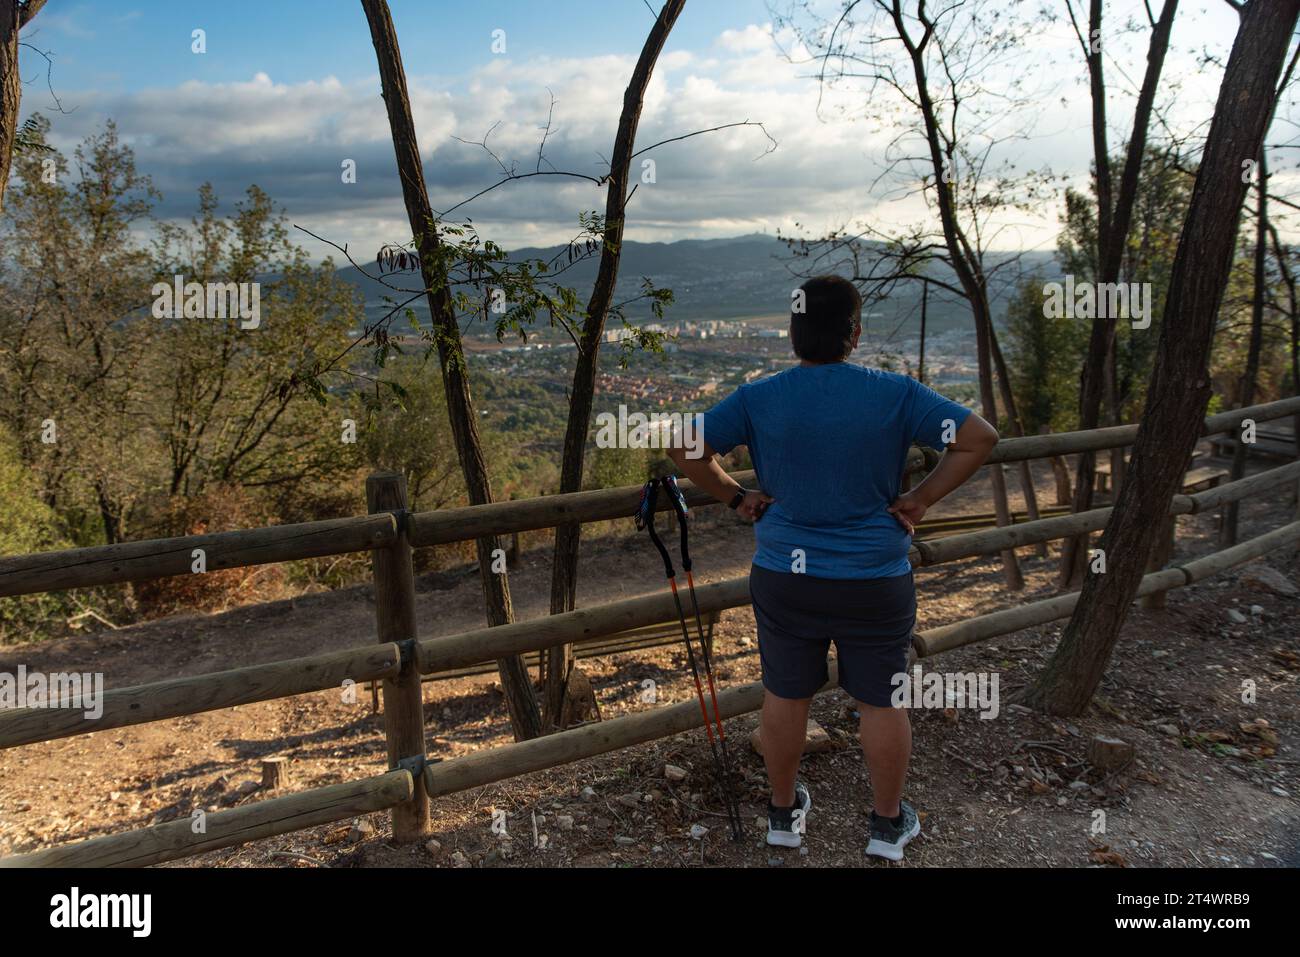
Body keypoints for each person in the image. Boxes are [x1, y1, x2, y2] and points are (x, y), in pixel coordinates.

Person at [667, 275, 998, 861]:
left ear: (794, 333)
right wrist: (920, 499)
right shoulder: (896, 393)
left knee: (787, 694)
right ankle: (888, 827)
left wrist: (737, 497)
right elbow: (978, 438)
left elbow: (687, 448)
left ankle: (782, 816)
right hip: (874, 577)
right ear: (855, 333)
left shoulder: (759, 396)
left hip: (785, 577)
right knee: (882, 699)